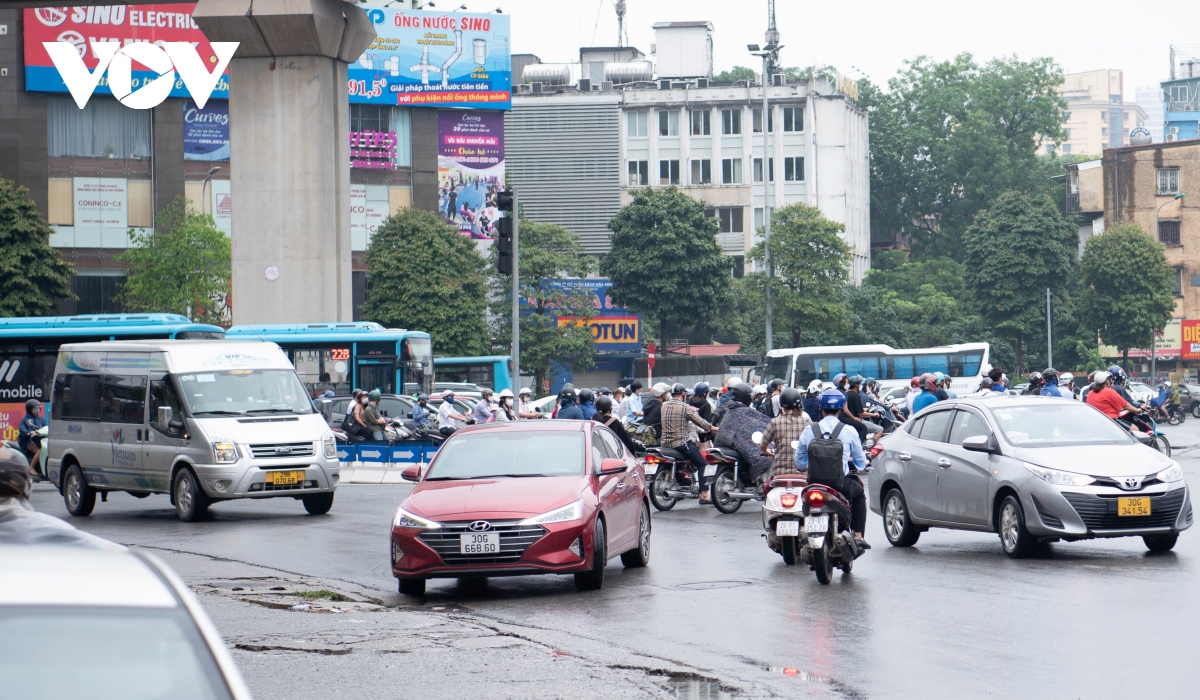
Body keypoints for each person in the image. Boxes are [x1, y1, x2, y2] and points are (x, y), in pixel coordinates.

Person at [794, 388, 870, 549]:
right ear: (841, 409)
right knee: (859, 495)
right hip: (840, 484)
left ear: (820, 408)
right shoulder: (849, 430)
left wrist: (804, 466)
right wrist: (864, 463)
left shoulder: (810, 430)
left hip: (814, 484)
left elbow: (799, 461)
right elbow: (860, 462)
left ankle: (802, 530)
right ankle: (858, 535)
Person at [659, 383, 719, 503]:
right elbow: (700, 421)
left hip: (665, 443)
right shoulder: (685, 407)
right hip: (681, 443)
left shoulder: (664, 406)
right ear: (683, 394)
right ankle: (704, 495)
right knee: (703, 464)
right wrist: (712, 428)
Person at [760, 387, 813, 477]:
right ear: (799, 405)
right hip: (802, 475)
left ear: (782, 406)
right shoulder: (807, 422)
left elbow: (763, 446)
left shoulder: (774, 422)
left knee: (766, 489)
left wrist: (767, 452)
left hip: (779, 475)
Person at [841, 375, 884, 444]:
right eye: (860, 383)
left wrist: (866, 409)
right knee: (880, 429)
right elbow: (860, 413)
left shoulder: (846, 394)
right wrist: (873, 414)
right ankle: (869, 446)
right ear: (856, 385)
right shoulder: (856, 396)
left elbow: (852, 408)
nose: (861, 385)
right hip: (856, 420)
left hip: (848, 420)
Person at [18, 399, 46, 469]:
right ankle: (31, 468)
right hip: (27, 441)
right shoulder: (25, 420)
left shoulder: (41, 419)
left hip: (37, 440)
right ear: (30, 410)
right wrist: (29, 432)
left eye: (39, 408)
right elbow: (22, 429)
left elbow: (46, 427)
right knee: (38, 451)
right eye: (36, 409)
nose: (38, 411)